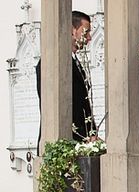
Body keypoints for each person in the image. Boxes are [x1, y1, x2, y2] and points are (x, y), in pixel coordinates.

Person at [36, 11, 96, 143]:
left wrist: (92, 132)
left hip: (81, 138)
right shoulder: (51, 62)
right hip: (64, 140)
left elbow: (84, 103)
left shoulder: (75, 61)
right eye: (86, 32)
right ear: (72, 30)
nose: (89, 38)